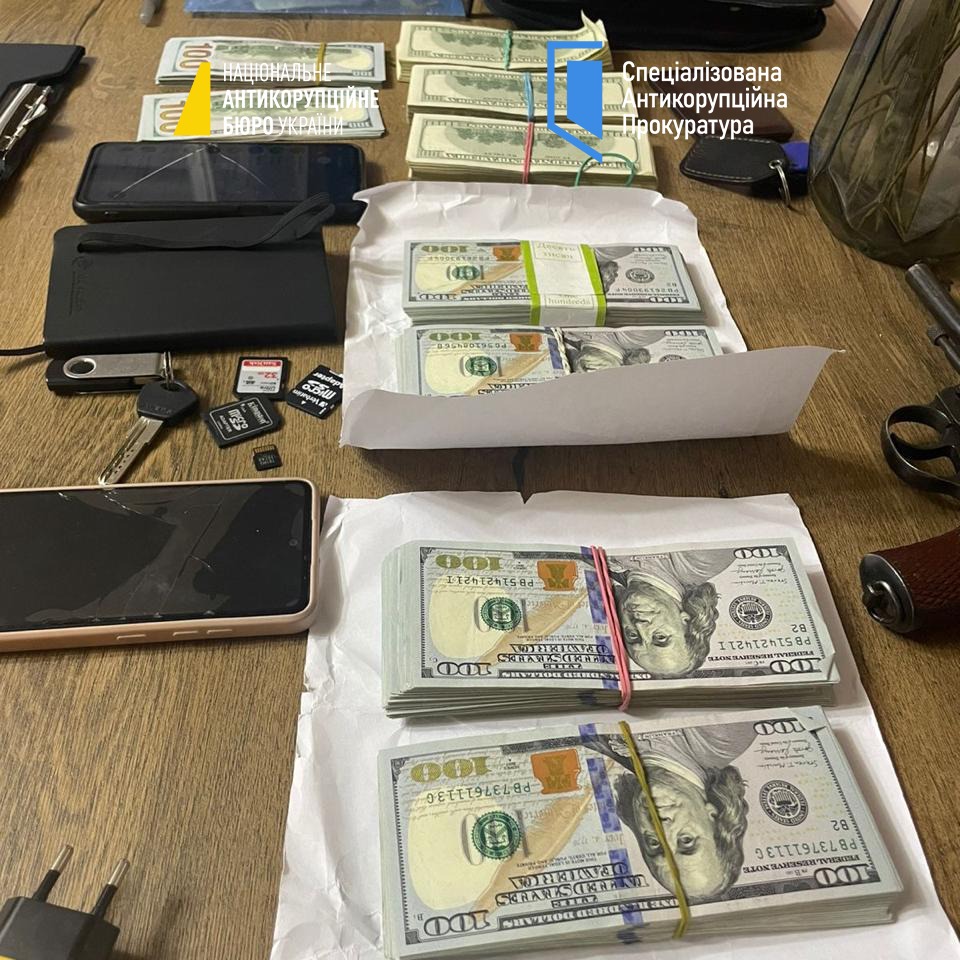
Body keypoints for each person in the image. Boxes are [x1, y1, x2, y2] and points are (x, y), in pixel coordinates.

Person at [587, 722, 756, 902]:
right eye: (686, 840)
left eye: (654, 843)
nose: (662, 829)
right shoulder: (723, 740)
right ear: (713, 815)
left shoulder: (597, 748)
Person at [607, 548, 736, 678]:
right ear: (686, 620)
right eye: (660, 637)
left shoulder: (603, 570)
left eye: (633, 635)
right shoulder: (703, 560)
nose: (639, 626)